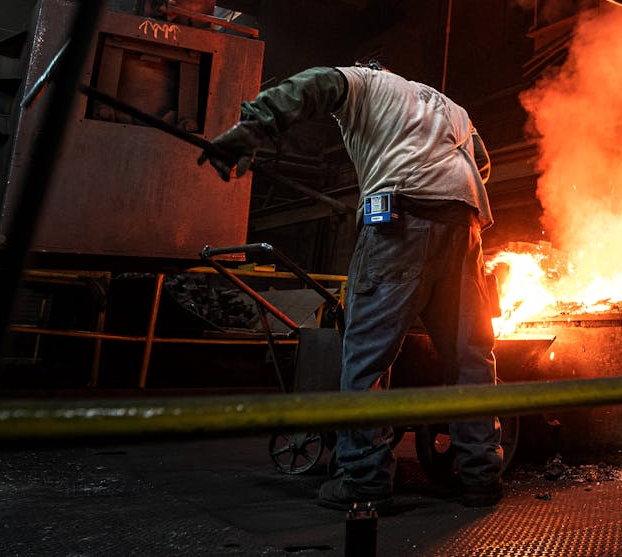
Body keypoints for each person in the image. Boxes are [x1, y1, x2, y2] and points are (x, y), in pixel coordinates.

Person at [199, 61, 503, 512]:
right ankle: (481, 476)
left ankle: (364, 477)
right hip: (465, 219)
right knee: (469, 357)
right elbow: (481, 162)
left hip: (401, 217)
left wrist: (253, 128)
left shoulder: (364, 81)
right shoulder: (449, 107)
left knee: (365, 356)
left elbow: (317, 85)